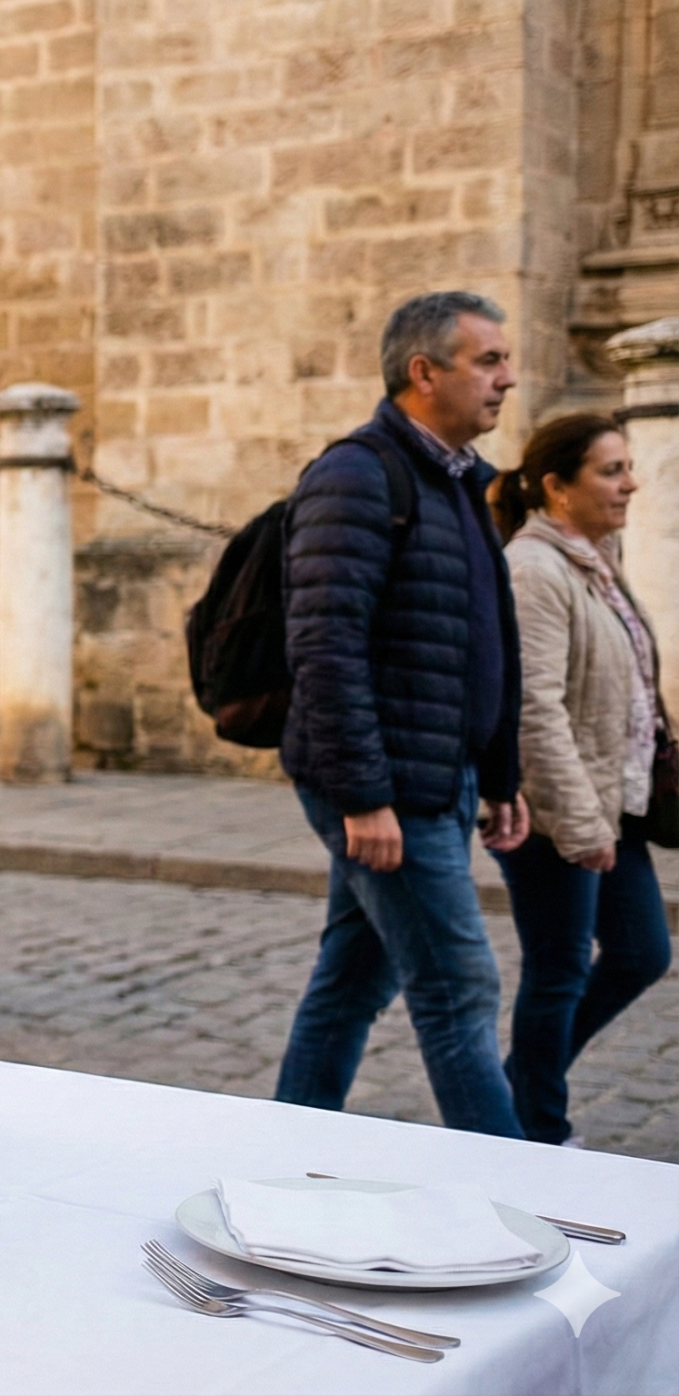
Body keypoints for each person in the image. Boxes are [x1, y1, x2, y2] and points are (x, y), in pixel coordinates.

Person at [275, 290, 530, 1138]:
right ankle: (516, 1186)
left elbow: (479, 639)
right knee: (459, 987)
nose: (508, 378)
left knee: (351, 982)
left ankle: (283, 1142)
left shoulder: (459, 483)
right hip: (389, 788)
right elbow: (324, 644)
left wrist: (498, 774)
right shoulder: (357, 475)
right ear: (425, 373)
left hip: (436, 778)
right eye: (488, 360)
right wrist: (362, 794)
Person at [488, 414, 673, 1145]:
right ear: (558, 487)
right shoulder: (534, 570)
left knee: (641, 953)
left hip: (612, 800)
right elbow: (535, 707)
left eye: (628, 467)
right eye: (612, 470)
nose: (631, 483)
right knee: (560, 968)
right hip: (554, 809)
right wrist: (579, 821)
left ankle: (517, 1082)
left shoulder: (595, 557)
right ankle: (538, 1132)